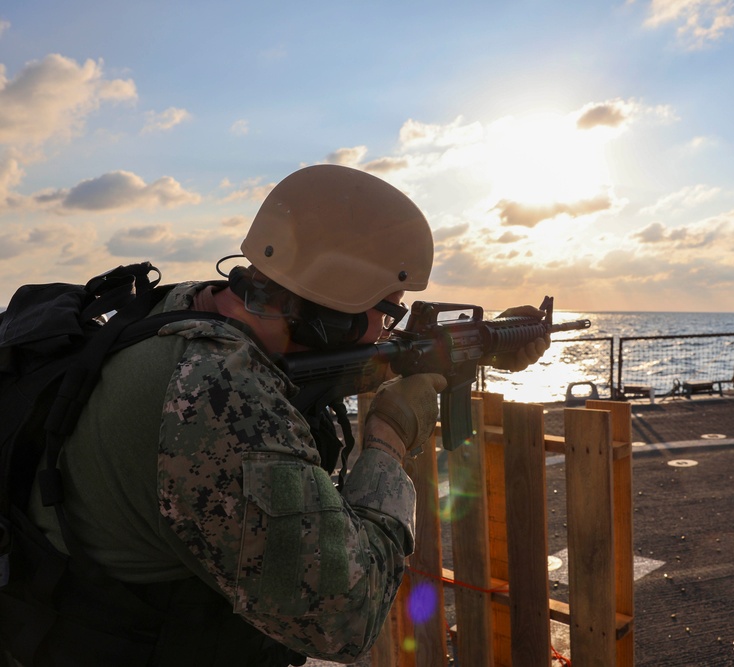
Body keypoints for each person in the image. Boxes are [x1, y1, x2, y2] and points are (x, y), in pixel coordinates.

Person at [1, 164, 548, 665]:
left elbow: (317, 359)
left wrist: (486, 343)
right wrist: (386, 438)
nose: (389, 329)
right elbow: (344, 621)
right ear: (333, 313)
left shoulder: (190, 308)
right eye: (389, 309)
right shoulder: (219, 401)